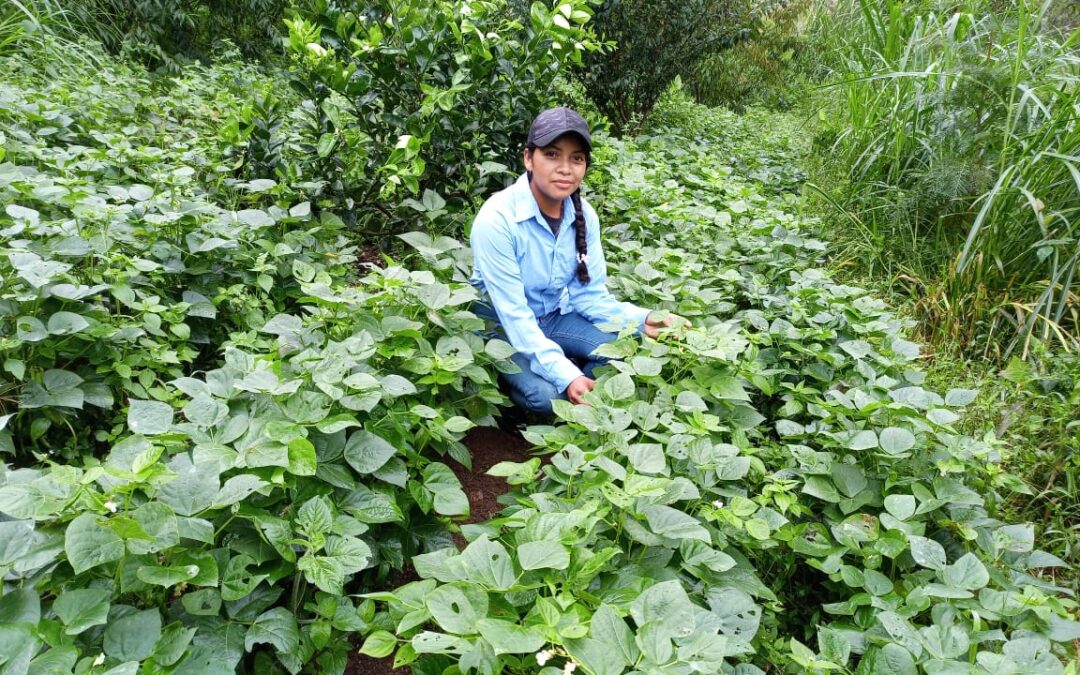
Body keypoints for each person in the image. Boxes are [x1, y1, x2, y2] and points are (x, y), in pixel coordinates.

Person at [470, 107, 684, 417]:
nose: (565, 169)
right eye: (553, 154)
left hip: (553, 318)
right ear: (528, 158)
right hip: (502, 329)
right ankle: (514, 395)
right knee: (545, 397)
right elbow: (514, 316)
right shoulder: (497, 219)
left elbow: (590, 296)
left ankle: (565, 375)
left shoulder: (583, 215)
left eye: (577, 158)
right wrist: (567, 375)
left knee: (622, 356)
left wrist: (645, 319)